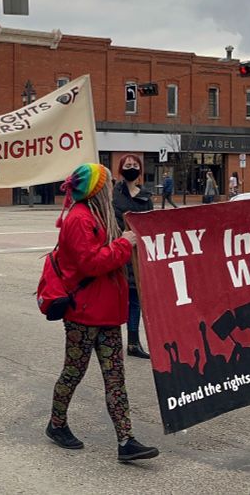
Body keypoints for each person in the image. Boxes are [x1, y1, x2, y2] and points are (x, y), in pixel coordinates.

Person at [46, 163, 159, 462]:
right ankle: (56, 425)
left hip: (107, 313)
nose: (111, 187)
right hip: (83, 314)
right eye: (107, 183)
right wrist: (123, 243)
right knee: (73, 373)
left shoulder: (100, 216)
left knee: (115, 379)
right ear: (96, 189)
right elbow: (91, 264)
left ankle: (126, 441)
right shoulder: (79, 220)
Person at [111, 154, 151, 359]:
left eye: (135, 165)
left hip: (137, 255)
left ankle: (133, 342)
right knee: (113, 298)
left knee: (135, 299)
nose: (132, 167)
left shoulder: (145, 196)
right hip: (118, 250)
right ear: (120, 169)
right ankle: (104, 341)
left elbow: (151, 224)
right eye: (128, 165)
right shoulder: (113, 194)